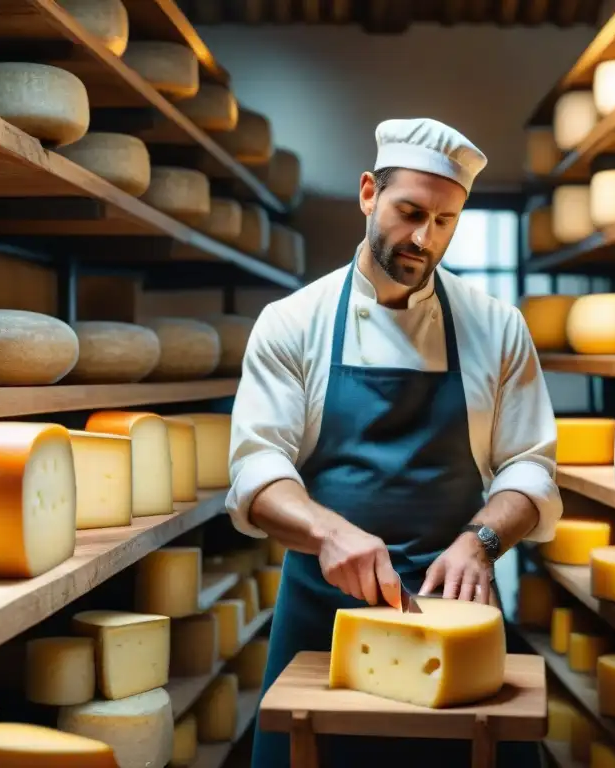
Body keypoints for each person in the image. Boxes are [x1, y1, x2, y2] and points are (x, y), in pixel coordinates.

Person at [227, 117, 563, 767]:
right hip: (324, 625)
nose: (423, 239)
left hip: (455, 625)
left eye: (445, 223)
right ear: (366, 194)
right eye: (410, 212)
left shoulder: (496, 326)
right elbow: (255, 468)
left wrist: (482, 540)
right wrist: (328, 534)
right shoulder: (293, 323)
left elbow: (529, 468)